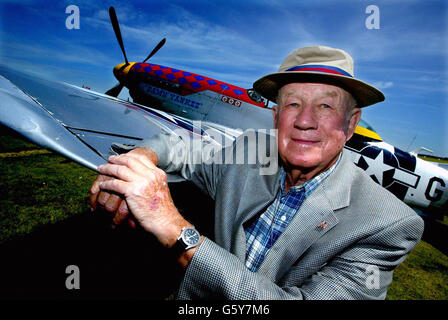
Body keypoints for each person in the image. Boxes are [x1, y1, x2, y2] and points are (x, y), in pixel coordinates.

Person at [89, 46, 424, 299]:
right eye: (293, 104)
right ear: (276, 117)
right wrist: (138, 160)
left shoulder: (388, 224)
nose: (305, 121)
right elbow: (183, 148)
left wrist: (175, 228)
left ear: (351, 124)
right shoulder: (247, 150)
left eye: (326, 106)